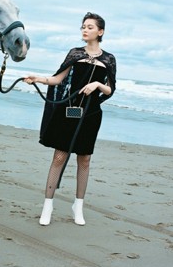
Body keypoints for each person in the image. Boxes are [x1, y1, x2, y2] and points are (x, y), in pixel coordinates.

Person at [24, 12, 116, 226]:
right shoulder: (75, 53)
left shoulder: (108, 59)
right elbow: (58, 78)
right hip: (69, 110)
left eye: (90, 27)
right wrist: (37, 78)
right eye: (83, 26)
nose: (85, 29)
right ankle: (48, 206)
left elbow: (110, 89)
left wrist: (97, 85)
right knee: (59, 158)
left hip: (90, 115)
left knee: (84, 159)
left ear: (100, 32)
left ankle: (78, 207)